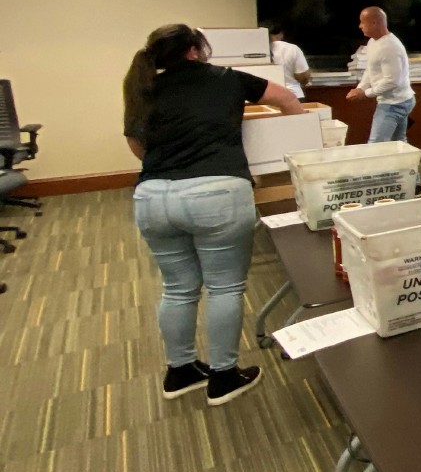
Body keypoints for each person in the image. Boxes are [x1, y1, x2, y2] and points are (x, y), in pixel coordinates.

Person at [124, 24, 305, 406]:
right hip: (218, 194)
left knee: (177, 288)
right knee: (224, 287)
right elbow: (287, 99)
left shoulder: (144, 87)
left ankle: (180, 371)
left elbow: (137, 145)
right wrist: (299, 146)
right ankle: (224, 377)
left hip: (153, 197)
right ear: (195, 49)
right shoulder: (226, 78)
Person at [347, 6, 414, 142]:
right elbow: (370, 68)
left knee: (376, 146)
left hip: (395, 103)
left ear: (374, 23)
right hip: (396, 100)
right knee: (398, 143)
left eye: (363, 22)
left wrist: (365, 94)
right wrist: (361, 87)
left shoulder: (390, 47)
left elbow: (392, 81)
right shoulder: (373, 42)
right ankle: (405, 163)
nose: (360, 26)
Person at [262, 20, 310, 100]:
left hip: (268, 96)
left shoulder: (258, 50)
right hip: (293, 95)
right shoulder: (293, 49)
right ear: (281, 34)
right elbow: (303, 77)